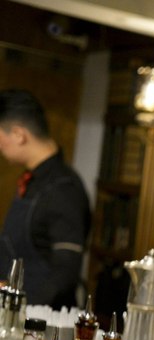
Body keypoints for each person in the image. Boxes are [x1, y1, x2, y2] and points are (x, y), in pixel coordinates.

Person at [0, 88, 90, 309]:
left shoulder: (64, 189)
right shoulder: (32, 179)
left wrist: (16, 307)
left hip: (38, 317)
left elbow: (64, 273)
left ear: (19, 134)